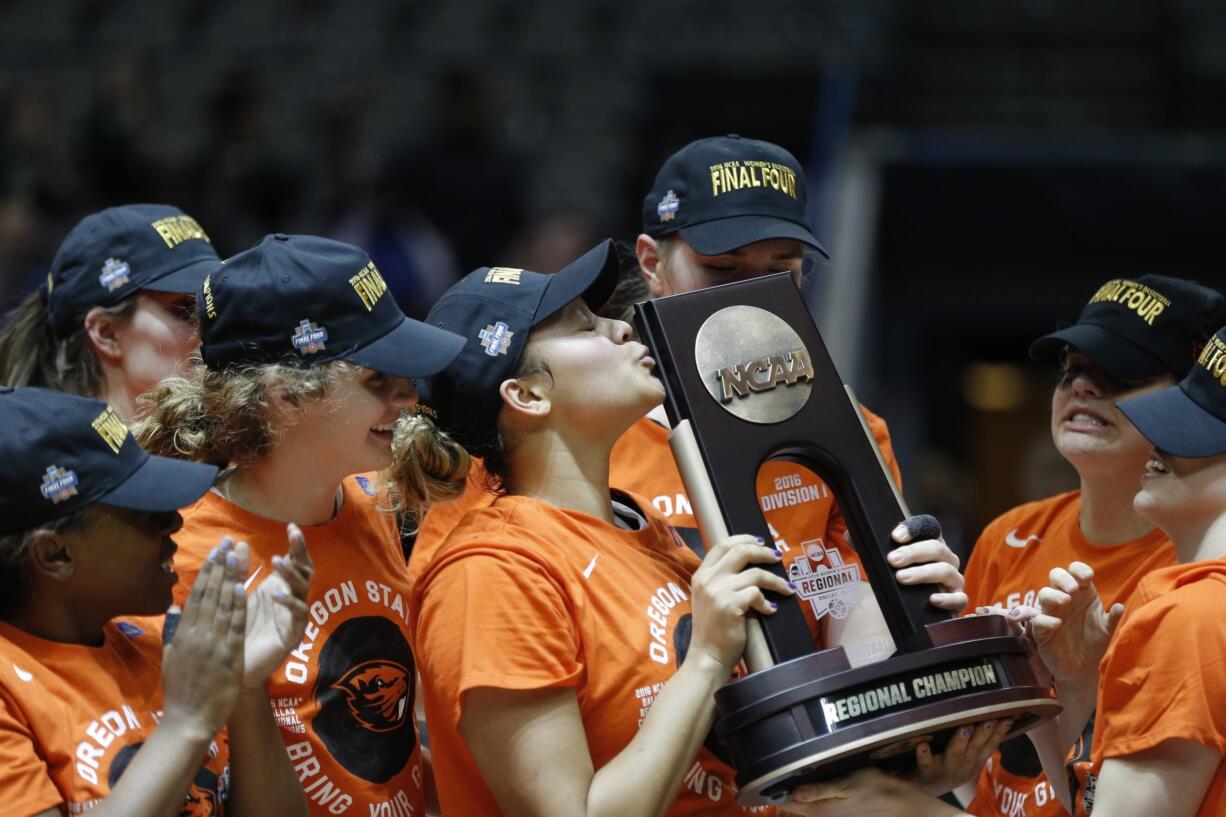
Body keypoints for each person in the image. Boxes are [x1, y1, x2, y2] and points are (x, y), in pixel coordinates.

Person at [410, 240, 990, 817]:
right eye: (584, 327)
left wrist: (918, 753)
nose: (619, 328)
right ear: (528, 395)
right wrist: (708, 658)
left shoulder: (646, 534)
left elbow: (749, 772)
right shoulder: (490, 572)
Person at [411, 135, 959, 669]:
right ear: (651, 263)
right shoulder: (560, 423)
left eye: (780, 271)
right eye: (722, 268)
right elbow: (461, 631)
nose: (747, 292)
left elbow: (855, 625)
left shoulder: (846, 431)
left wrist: (912, 613)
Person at [135, 234, 468, 817]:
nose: (409, 397)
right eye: (377, 380)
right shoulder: (183, 561)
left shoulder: (377, 501)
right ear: (285, 396)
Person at [958, 275, 1226, 816]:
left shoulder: (1185, 606)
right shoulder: (1010, 536)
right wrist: (1069, 692)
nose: (1083, 388)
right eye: (1069, 371)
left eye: (1120, 375)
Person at [0, 385, 313, 817]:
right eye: (141, 512)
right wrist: (185, 723)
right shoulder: (8, 688)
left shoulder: (154, 642)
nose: (175, 520)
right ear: (56, 554)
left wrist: (245, 688)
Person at [0, 204, 219, 421]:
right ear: (106, 333)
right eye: (184, 311)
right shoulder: (42, 455)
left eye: (216, 305)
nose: (214, 325)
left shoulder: (235, 451)